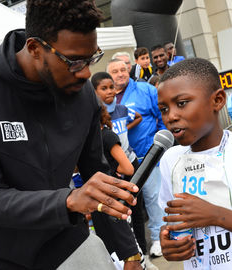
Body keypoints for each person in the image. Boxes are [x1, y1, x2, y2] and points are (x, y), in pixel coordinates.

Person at [0, 1, 141, 269]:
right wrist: (67, 200)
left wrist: (129, 251)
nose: (85, 73)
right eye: (73, 62)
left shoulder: (83, 96)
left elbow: (99, 177)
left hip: (67, 244)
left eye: (92, 58)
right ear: (35, 49)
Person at [157, 57, 232, 269]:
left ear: (218, 100)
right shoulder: (170, 160)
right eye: (164, 109)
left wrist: (216, 215)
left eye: (181, 103)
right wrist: (167, 241)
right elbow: (172, 220)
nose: (171, 116)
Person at [92, 72, 153, 269]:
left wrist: (116, 174)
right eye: (104, 88)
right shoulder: (98, 133)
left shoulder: (114, 120)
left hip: (124, 172)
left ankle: (141, 258)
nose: (110, 91)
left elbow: (125, 165)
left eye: (111, 87)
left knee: (131, 216)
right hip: (113, 176)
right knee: (124, 219)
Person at [107, 59, 166, 258]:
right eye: (115, 71)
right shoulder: (106, 97)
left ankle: (158, 238)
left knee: (152, 198)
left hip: (147, 155)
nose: (120, 74)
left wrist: (159, 143)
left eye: (123, 69)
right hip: (120, 163)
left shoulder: (145, 89)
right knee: (133, 205)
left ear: (129, 69)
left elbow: (162, 113)